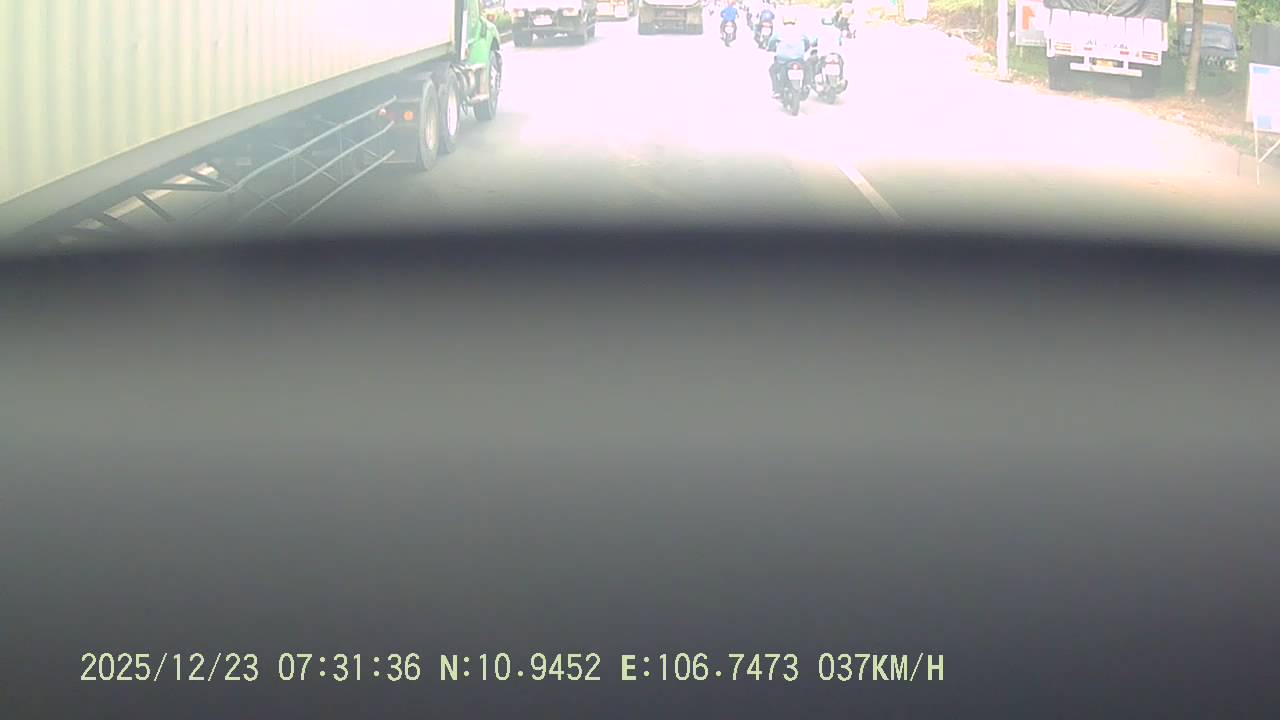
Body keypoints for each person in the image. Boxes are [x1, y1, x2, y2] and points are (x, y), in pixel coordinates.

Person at [767, 12, 812, 97]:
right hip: (799, 59)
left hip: (783, 61)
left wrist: (770, 48)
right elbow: (807, 43)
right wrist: (804, 50)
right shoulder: (801, 31)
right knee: (808, 69)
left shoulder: (779, 31)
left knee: (772, 70)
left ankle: (777, 90)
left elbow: (771, 42)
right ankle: (807, 85)